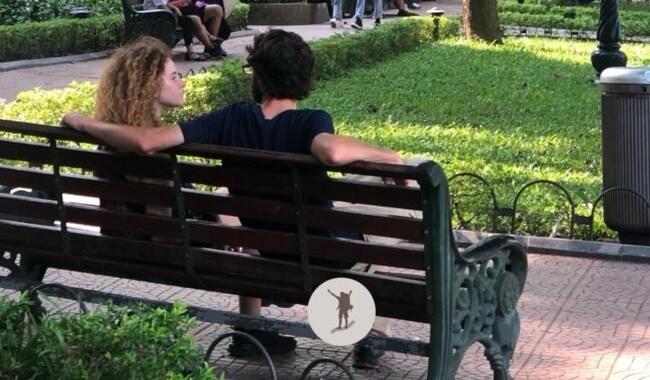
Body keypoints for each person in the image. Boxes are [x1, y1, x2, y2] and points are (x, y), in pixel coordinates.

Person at [62, 29, 406, 366]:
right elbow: (330, 151)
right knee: (391, 228)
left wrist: (83, 122)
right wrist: (390, 157)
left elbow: (147, 142)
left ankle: (252, 330)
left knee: (243, 204)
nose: (180, 78)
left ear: (256, 75)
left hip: (257, 243)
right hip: (316, 256)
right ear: (305, 79)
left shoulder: (230, 117)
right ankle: (370, 335)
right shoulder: (311, 121)